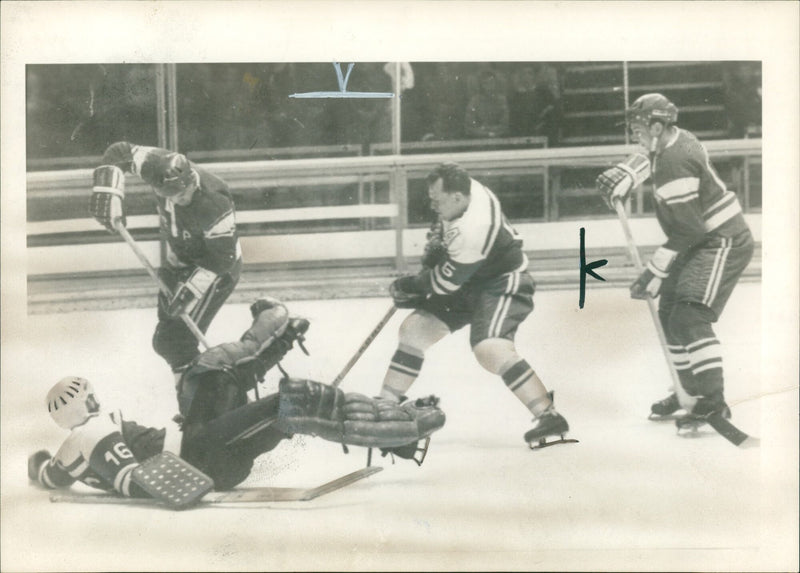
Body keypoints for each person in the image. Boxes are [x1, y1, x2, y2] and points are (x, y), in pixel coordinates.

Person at [29, 299, 446, 496]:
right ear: (78, 408)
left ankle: (394, 431)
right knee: (287, 400)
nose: (97, 403)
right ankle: (395, 429)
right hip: (198, 455)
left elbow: (53, 475)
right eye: (90, 398)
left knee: (287, 411)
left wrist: (39, 466)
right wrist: (180, 484)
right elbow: (129, 479)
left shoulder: (73, 447)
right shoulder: (92, 432)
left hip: (209, 457)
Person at [379, 162, 571, 448]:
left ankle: (549, 415)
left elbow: (446, 283)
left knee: (490, 348)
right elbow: (445, 241)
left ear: (456, 197)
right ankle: (385, 406)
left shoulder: (474, 229)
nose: (433, 205)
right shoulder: (467, 192)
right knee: (413, 332)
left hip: (502, 281)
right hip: (471, 280)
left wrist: (415, 286)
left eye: (437, 200)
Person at [596, 93, 754, 430]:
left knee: (689, 315)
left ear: (656, 126)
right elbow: (649, 156)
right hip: (699, 239)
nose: (633, 133)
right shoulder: (674, 138)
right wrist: (629, 172)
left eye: (637, 127)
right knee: (669, 312)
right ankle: (689, 391)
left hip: (720, 241)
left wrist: (653, 272)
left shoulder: (674, 165)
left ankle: (713, 401)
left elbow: (689, 231)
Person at [89, 142, 242, 382]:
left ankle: (207, 398)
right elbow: (118, 152)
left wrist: (190, 291)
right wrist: (108, 191)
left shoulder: (213, 203)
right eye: (171, 196)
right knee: (165, 341)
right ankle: (190, 397)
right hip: (180, 259)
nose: (181, 200)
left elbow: (223, 259)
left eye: (184, 193)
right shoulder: (155, 164)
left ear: (192, 178)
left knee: (177, 343)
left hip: (213, 271)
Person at [464, 70, 510, 139]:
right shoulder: (474, 101)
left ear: (496, 84)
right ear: (481, 85)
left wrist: (488, 130)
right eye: (485, 83)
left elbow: (505, 125)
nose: (489, 86)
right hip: (478, 138)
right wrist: (486, 134)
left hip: (498, 137)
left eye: (491, 82)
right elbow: (469, 126)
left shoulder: (502, 100)